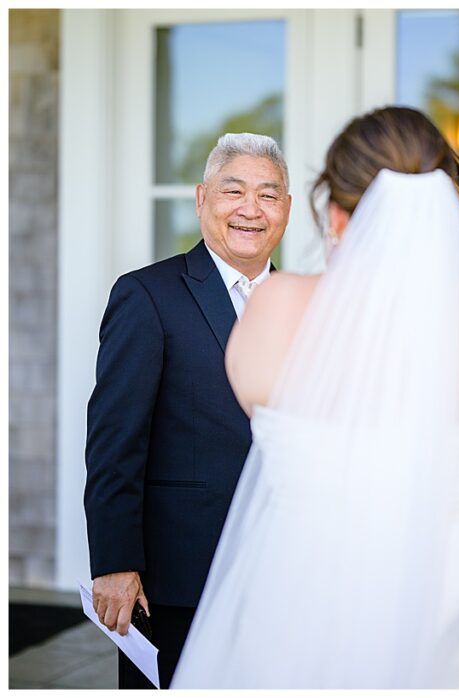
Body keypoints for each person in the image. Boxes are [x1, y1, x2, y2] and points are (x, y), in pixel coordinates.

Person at [171, 106, 459, 688]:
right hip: (453, 607)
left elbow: (262, 414)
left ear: (335, 215)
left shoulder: (274, 306)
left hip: (299, 595)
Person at [84, 133, 291, 688]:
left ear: (288, 210)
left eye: (269, 195)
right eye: (234, 191)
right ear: (202, 199)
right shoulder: (147, 295)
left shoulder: (303, 303)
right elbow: (114, 441)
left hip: (291, 573)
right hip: (178, 581)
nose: (251, 209)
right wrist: (114, 561)